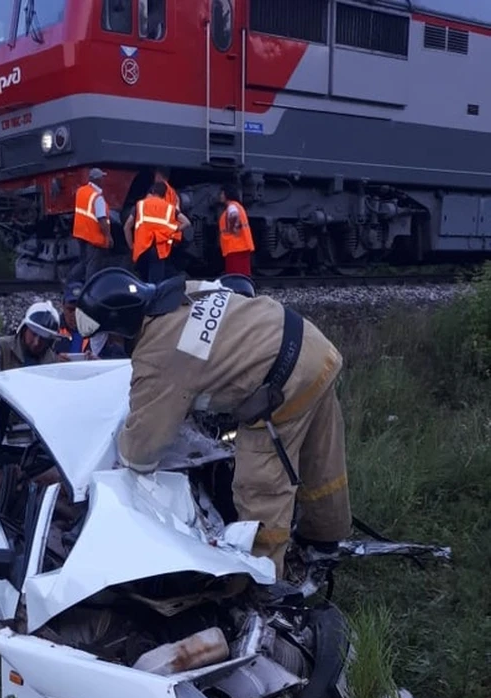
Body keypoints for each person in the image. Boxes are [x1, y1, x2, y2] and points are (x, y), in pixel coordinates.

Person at [75, 269, 351, 576]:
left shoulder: (159, 355)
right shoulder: (180, 291)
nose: (108, 345)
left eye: (108, 337)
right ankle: (324, 538)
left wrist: (119, 458)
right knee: (320, 458)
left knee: (259, 484)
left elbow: (141, 450)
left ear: (122, 327)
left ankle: (264, 575)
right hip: (313, 346)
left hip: (284, 380)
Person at [123, 181, 190, 284]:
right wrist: (173, 230)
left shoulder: (140, 205)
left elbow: (127, 227)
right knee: (156, 283)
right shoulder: (169, 208)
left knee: (139, 281)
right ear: (164, 194)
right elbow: (186, 223)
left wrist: (131, 246)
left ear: (153, 191)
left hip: (141, 249)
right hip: (159, 250)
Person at [71, 168, 113, 281]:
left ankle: (70, 281)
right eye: (102, 178)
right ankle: (89, 290)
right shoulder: (97, 197)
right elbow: (102, 219)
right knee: (92, 265)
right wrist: (108, 236)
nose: (103, 180)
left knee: (84, 262)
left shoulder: (81, 191)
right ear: (98, 180)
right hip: (92, 236)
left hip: (80, 234)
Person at [0, 301, 60, 371]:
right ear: (24, 329)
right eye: (34, 334)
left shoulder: (52, 361)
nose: (36, 343)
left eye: (43, 338)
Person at [218, 184, 255, 278]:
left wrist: (233, 227)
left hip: (234, 247)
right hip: (241, 246)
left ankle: (239, 292)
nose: (220, 196)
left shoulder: (232, 206)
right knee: (243, 275)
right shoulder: (238, 206)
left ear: (227, 194)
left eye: (222, 193)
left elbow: (234, 214)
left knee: (235, 276)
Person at [55, 281, 93, 358]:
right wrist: (55, 360)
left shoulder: (95, 331)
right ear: (63, 306)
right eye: (71, 310)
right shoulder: (54, 329)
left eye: (79, 310)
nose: (75, 315)